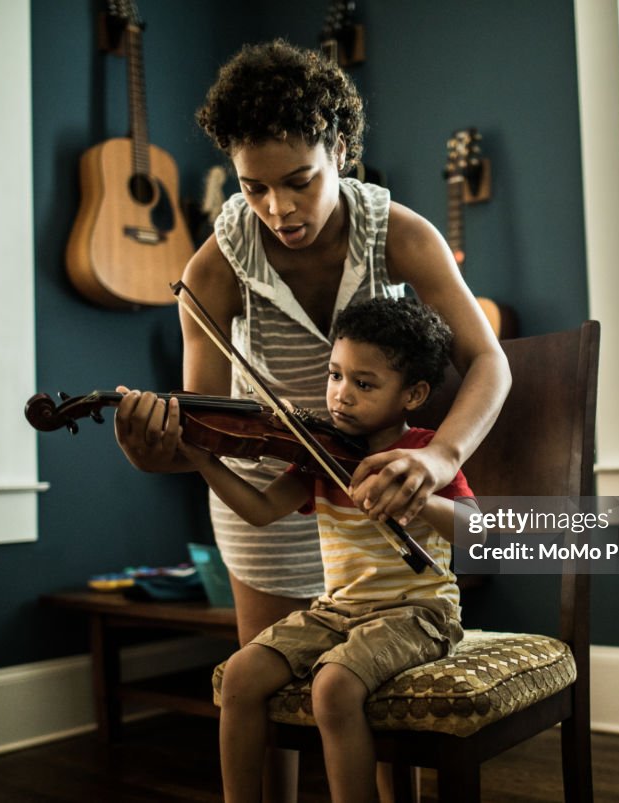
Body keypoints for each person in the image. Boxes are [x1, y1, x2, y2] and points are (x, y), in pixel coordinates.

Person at [113, 39, 510, 800]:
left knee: (372, 703)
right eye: (254, 188)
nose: (279, 208)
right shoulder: (211, 268)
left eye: (299, 181)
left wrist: (438, 456)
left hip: (383, 477)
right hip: (273, 487)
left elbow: (490, 362)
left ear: (340, 148)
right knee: (270, 707)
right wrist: (153, 448)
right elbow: (205, 429)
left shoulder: (399, 232)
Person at [181, 297, 484, 803]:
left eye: (363, 384)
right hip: (337, 610)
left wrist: (418, 496)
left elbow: (478, 531)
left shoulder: (425, 454)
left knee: (334, 686)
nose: (340, 395)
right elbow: (259, 510)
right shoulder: (318, 455)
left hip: (418, 613)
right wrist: (203, 461)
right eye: (335, 375)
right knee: (240, 674)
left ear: (413, 394)